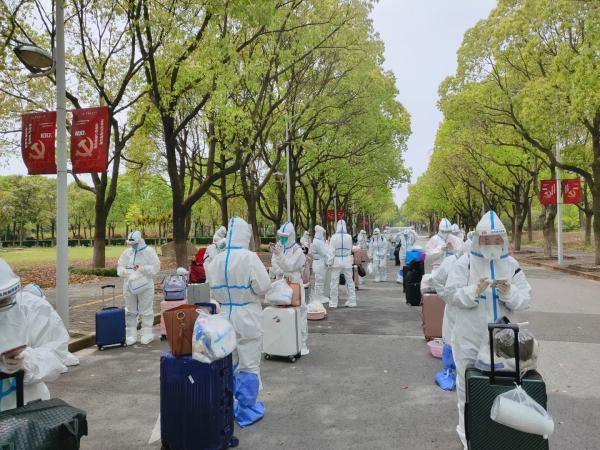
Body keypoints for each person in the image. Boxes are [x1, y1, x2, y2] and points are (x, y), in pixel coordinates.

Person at [445, 211, 531, 449]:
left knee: (502, 387)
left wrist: (508, 292)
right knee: (468, 389)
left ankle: (496, 435)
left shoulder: (511, 265)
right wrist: (474, 291)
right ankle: (469, 437)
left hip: (502, 339)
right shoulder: (466, 263)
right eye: (486, 240)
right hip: (469, 336)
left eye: (496, 240)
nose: (492, 245)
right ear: (478, 240)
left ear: (503, 240)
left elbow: (525, 299)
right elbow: (451, 295)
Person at [205, 217, 271, 427]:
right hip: (248, 316)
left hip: (224, 317)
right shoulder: (249, 258)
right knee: (249, 364)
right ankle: (246, 409)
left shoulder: (218, 259)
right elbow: (263, 285)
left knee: (229, 362)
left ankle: (228, 403)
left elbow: (210, 287)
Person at [0, 258, 78, 411]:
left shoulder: (32, 308)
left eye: (4, 300)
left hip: (26, 409)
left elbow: (57, 353)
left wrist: (26, 361)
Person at [271, 222, 309, 356]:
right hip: (282, 282)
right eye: (281, 236)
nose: (282, 239)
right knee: (281, 312)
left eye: (285, 237)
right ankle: (285, 342)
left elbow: (290, 265)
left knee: (299, 312)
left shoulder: (297, 250)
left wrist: (280, 258)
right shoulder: (281, 247)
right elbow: (275, 264)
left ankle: (302, 343)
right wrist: (280, 266)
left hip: (295, 284)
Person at [117, 230, 161, 345]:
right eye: (131, 244)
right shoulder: (127, 252)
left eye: (135, 243)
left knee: (146, 309)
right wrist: (124, 272)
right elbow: (120, 266)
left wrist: (141, 269)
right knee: (130, 310)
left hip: (145, 284)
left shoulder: (149, 251)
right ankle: (131, 334)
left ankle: (147, 333)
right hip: (129, 284)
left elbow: (156, 268)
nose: (133, 246)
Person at [328, 219, 357, 308]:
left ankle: (333, 302)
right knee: (350, 281)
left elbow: (331, 251)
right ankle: (352, 301)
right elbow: (351, 249)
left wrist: (329, 262)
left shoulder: (333, 237)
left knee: (334, 282)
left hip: (336, 261)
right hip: (347, 261)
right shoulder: (349, 237)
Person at [309, 225, 331, 304]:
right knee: (320, 280)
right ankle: (319, 297)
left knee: (320, 280)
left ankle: (319, 295)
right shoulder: (317, 241)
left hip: (319, 262)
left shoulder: (318, 241)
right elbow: (323, 252)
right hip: (319, 263)